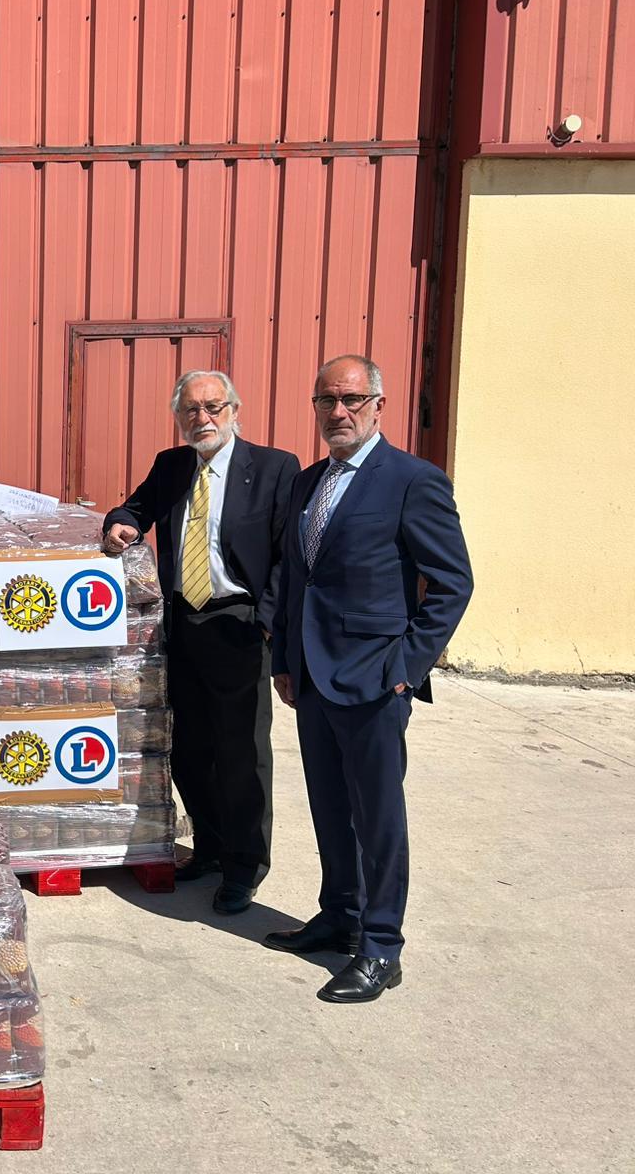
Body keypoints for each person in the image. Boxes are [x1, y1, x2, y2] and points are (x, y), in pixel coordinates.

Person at [266, 354, 472, 1003]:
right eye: (326, 400)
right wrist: (283, 661)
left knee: (377, 817)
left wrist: (406, 668)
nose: (339, 412)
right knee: (329, 805)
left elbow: (453, 583)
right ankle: (341, 915)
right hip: (312, 676)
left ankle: (381, 945)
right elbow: (294, 578)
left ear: (378, 405)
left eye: (352, 399)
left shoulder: (413, 480)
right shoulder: (309, 482)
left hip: (375, 680)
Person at [102, 371, 299, 916]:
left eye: (213, 407)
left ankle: (244, 866)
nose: (202, 418)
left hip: (239, 623)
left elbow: (288, 554)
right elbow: (135, 509)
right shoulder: (172, 465)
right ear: (178, 417)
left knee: (241, 754)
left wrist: (266, 622)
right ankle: (210, 848)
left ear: (234, 410)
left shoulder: (275, 468)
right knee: (189, 749)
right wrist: (121, 524)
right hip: (181, 625)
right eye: (190, 409)